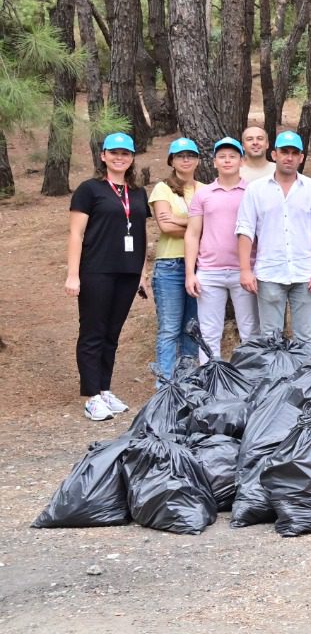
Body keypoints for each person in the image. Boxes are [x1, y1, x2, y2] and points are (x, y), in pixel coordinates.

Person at [66, 132, 150, 420]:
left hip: (127, 271)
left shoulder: (138, 192)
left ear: (131, 158)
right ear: (103, 156)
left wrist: (142, 271)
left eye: (125, 153)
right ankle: (91, 395)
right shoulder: (89, 190)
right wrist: (72, 274)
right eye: (113, 152)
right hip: (96, 269)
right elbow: (76, 233)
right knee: (93, 332)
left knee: (112, 334)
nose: (119, 157)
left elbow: (140, 231)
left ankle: (104, 389)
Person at [237, 131, 311, 346]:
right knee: (270, 338)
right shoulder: (255, 190)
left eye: (294, 153)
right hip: (270, 273)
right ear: (274, 154)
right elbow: (245, 231)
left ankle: (306, 378)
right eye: (284, 152)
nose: (289, 157)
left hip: (305, 274)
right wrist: (245, 270)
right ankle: (273, 379)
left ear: (301, 158)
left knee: (305, 339)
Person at [185, 138, 258, 362]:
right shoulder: (203, 194)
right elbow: (193, 233)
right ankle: (210, 382)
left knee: (250, 331)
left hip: (244, 271)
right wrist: (190, 273)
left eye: (233, 156)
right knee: (208, 332)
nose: (227, 160)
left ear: (242, 161)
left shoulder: (253, 192)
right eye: (222, 156)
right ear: (214, 161)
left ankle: (252, 381)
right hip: (209, 271)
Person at [148, 137, 202, 375]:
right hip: (169, 265)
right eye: (180, 156)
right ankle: (166, 385)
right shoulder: (162, 188)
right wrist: (196, 229)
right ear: (172, 160)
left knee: (192, 326)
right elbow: (165, 227)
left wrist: (181, 221)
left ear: (198, 160)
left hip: (199, 265)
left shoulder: (204, 189)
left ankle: (188, 380)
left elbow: (212, 226)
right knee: (170, 328)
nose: (186, 159)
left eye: (190, 155)